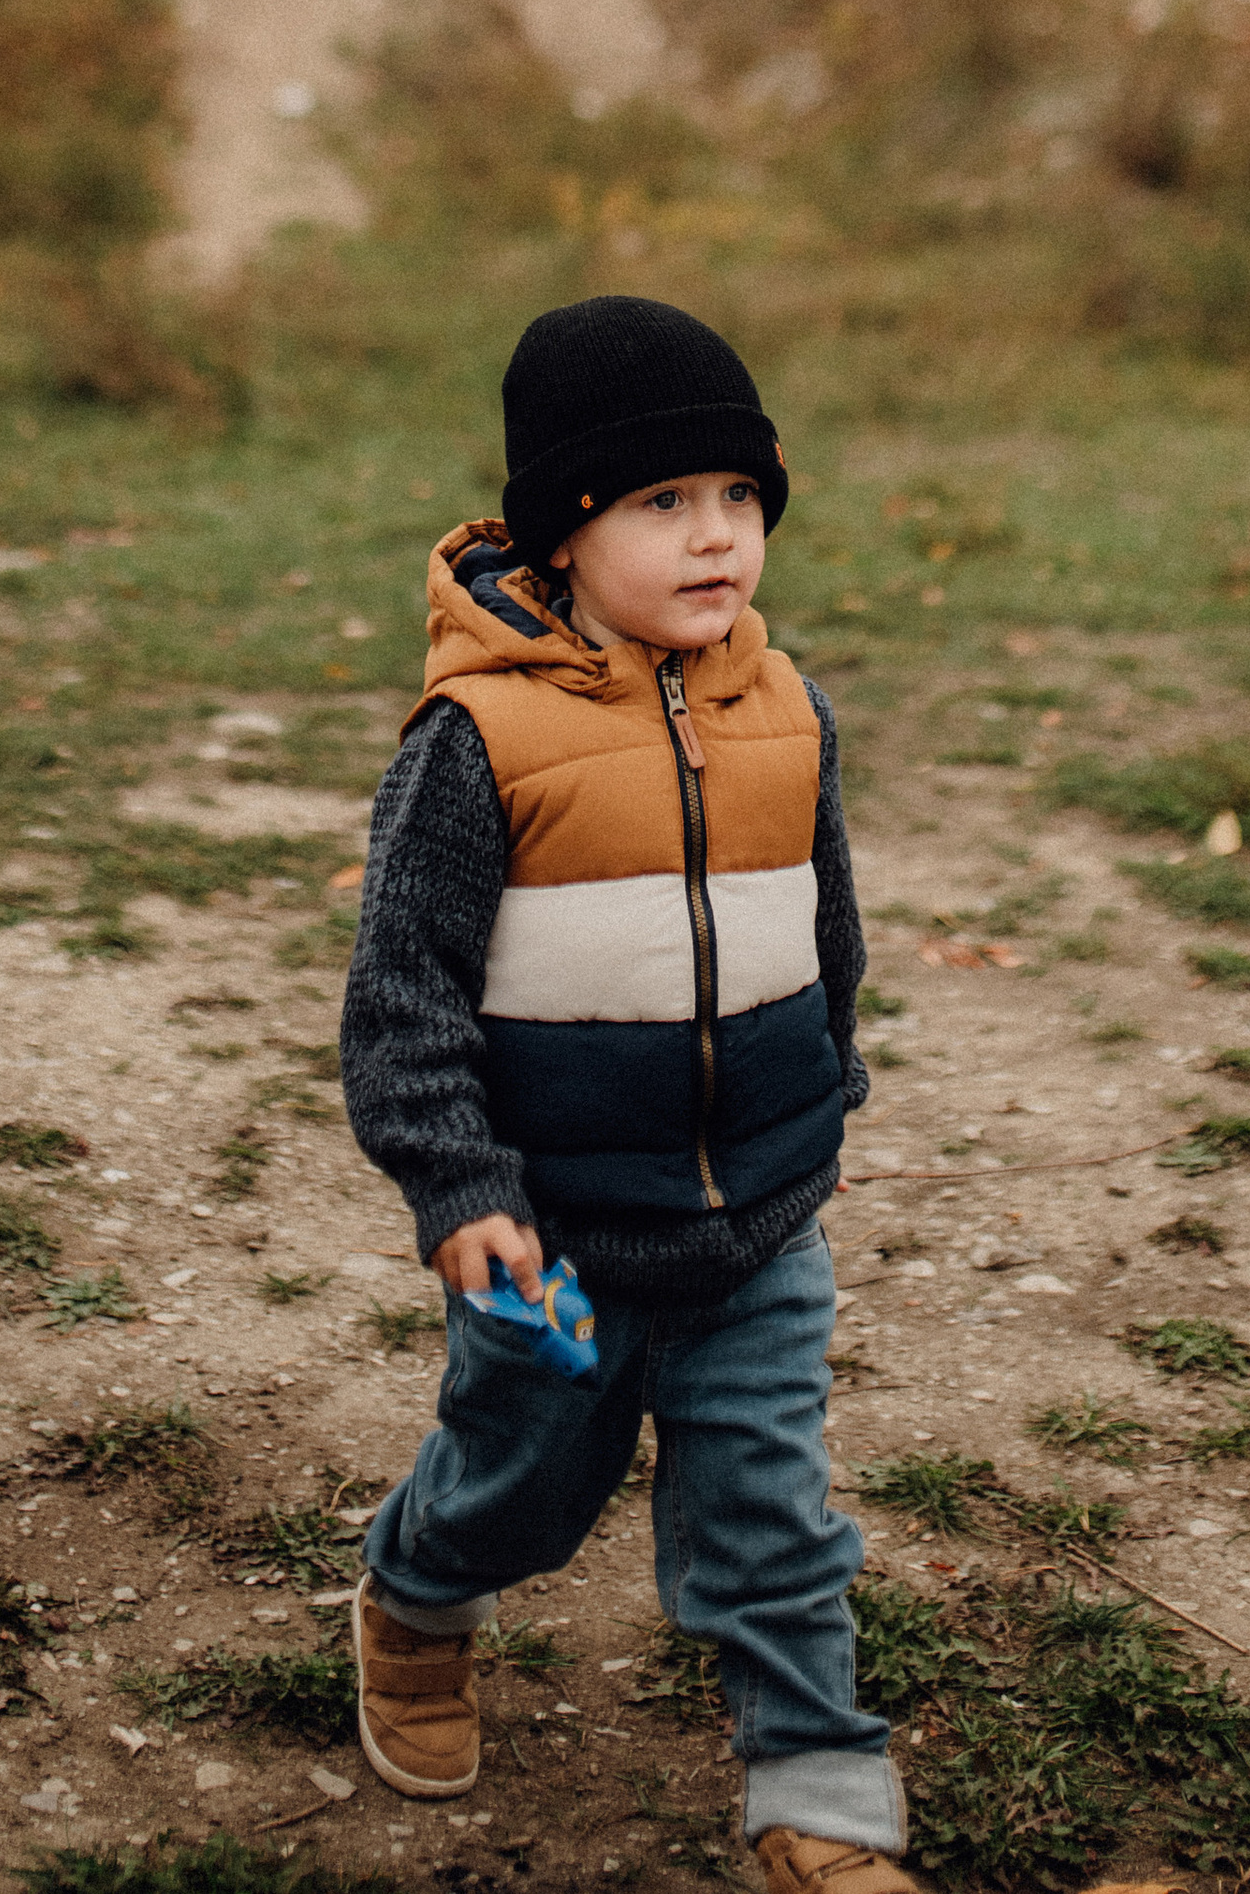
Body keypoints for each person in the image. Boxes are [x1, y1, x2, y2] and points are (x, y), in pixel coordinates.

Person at [339, 293, 918, 1894]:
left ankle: (819, 1790)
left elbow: (826, 938)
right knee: (514, 1496)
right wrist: (459, 1187)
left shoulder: (786, 710)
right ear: (565, 528)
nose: (716, 537)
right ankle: (417, 1596)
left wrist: (821, 1114)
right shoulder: (481, 741)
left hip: (755, 1239)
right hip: (558, 1247)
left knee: (771, 1517)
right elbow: (401, 998)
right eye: (663, 502)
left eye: (740, 499)